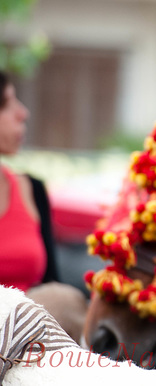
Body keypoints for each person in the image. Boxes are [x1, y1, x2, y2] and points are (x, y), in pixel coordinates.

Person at [0, 71, 86, 343]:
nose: (22, 113)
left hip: (30, 350)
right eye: (6, 103)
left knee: (64, 299)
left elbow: (52, 282)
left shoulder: (31, 189)